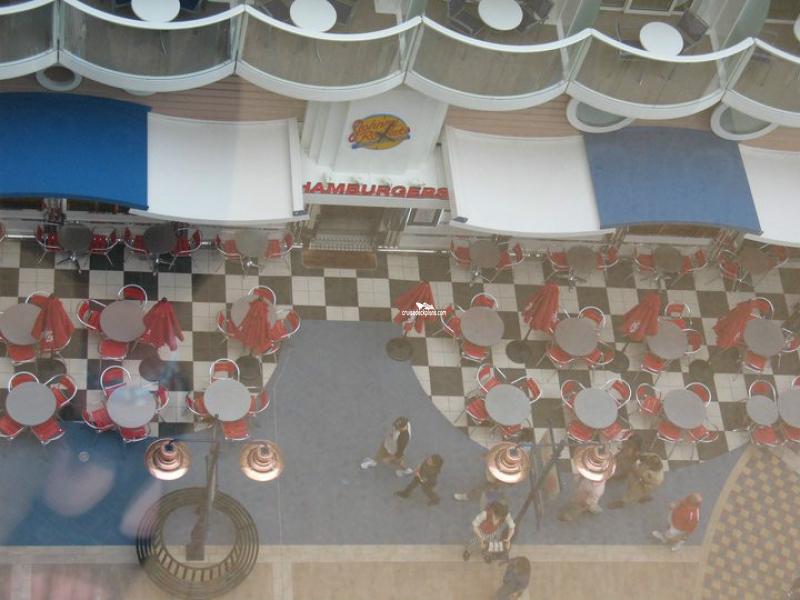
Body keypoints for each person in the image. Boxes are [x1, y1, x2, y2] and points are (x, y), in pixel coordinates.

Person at [558, 445, 615, 522]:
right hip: (585, 485)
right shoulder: (590, 469)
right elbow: (583, 469)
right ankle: (580, 504)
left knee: (586, 504)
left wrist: (584, 504)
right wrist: (579, 476)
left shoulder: (598, 490)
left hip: (591, 494)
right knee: (578, 496)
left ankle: (575, 513)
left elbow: (588, 500)